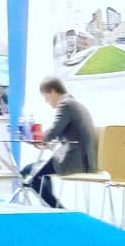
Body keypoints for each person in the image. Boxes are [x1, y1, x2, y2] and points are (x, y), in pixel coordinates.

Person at [21, 77, 97, 208]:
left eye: (46, 97)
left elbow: (53, 131)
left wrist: (38, 138)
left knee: (31, 174)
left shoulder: (65, 105)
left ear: (52, 91)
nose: (46, 101)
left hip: (74, 161)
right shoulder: (75, 104)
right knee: (38, 173)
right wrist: (46, 142)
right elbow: (63, 136)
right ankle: (52, 210)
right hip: (84, 160)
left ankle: (58, 210)